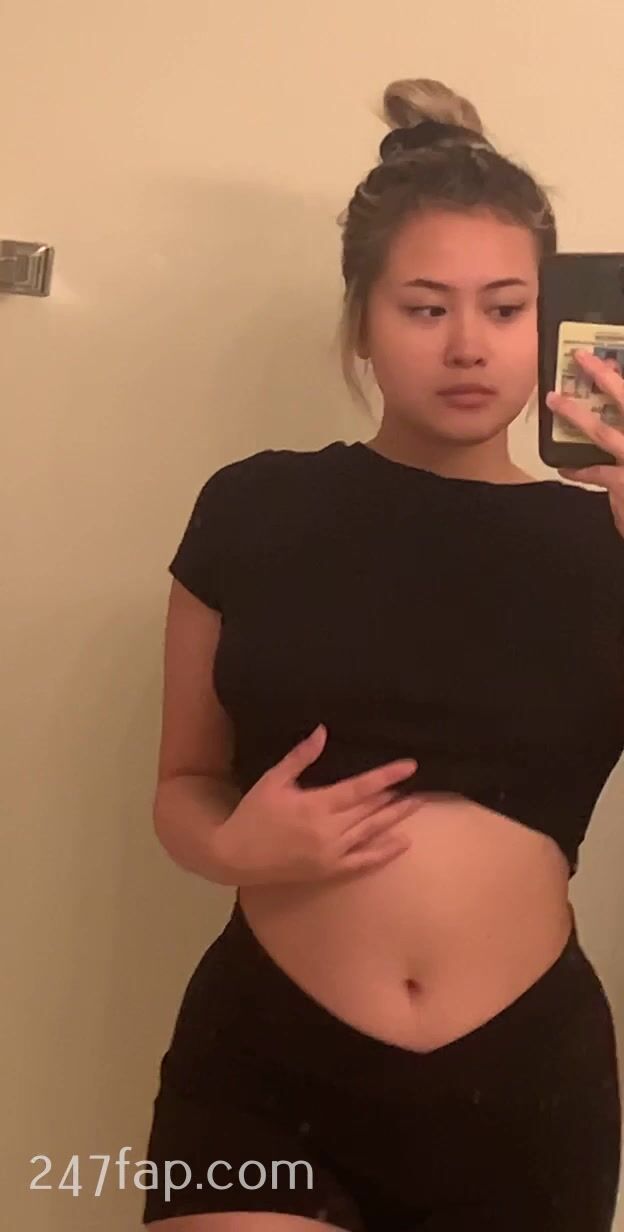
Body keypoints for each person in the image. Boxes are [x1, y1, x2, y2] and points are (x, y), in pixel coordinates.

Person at [142, 77, 622, 1231]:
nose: (468, 345)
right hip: (266, 1066)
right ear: (360, 318)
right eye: (424, 307)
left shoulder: (601, 537)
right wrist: (230, 843)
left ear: (550, 322)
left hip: (527, 1084)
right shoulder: (254, 507)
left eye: (505, 308)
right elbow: (182, 782)